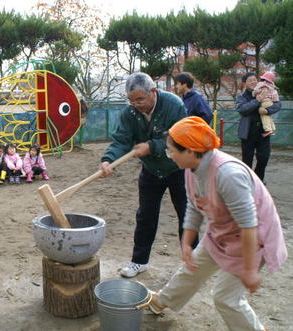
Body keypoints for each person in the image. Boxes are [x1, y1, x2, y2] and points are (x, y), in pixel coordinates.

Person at [147, 116, 287, 331]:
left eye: (172, 150)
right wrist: (186, 243)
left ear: (191, 151)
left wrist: (249, 270)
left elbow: (249, 225)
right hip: (222, 231)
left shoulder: (228, 174)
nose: (170, 156)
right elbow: (194, 207)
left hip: (251, 239)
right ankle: (161, 301)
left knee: (226, 299)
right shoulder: (191, 170)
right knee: (191, 267)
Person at [99, 72, 193, 278]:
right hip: (151, 170)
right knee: (145, 216)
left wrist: (152, 146)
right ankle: (139, 261)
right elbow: (121, 140)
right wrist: (108, 160)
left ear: (153, 92)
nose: (136, 105)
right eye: (131, 100)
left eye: (140, 99)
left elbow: (181, 138)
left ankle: (192, 263)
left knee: (187, 215)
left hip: (179, 168)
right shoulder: (129, 113)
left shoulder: (173, 104)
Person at [236, 72, 281, 183]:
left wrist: (267, 110)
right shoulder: (242, 97)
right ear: (244, 83)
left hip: (263, 132)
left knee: (264, 157)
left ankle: (258, 178)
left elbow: (278, 104)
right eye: (250, 80)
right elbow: (242, 110)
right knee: (247, 159)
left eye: (254, 79)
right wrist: (257, 101)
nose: (253, 82)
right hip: (248, 132)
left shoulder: (266, 90)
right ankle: (247, 180)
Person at [252, 72, 279, 137]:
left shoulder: (261, 84)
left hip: (264, 102)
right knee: (268, 116)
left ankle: (268, 130)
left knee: (263, 116)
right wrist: (275, 100)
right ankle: (273, 129)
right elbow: (275, 96)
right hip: (271, 102)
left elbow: (256, 90)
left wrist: (254, 94)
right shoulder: (272, 86)